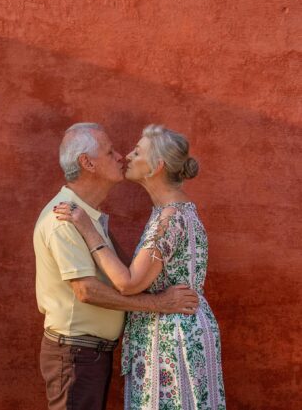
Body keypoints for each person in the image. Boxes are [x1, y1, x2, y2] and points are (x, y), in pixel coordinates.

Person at [54, 124, 225, 409]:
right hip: (179, 331)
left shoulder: (169, 219)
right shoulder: (172, 212)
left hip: (171, 339)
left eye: (137, 151)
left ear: (156, 166)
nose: (127, 156)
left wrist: (88, 228)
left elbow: (128, 283)